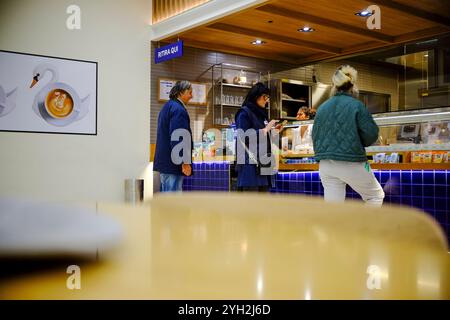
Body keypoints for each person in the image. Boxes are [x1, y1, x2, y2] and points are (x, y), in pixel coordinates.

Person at [312, 65, 385, 206]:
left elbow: (315, 135)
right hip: (352, 161)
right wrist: (357, 142)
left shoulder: (322, 107)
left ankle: (333, 229)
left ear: (334, 86)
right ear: (353, 86)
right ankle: (365, 229)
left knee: (333, 207)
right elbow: (371, 134)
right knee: (374, 196)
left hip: (326, 164)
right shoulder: (356, 105)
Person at [235, 82, 280, 192]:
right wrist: (265, 130)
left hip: (263, 165)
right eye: (265, 97)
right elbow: (243, 137)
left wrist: (273, 132)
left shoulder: (262, 114)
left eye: (268, 97)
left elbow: (263, 137)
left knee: (264, 207)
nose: (267, 100)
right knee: (250, 206)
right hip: (250, 167)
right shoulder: (244, 113)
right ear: (256, 96)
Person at [154, 80, 193, 192]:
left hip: (166, 161)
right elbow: (179, 136)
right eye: (190, 92)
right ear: (181, 92)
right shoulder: (179, 110)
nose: (192, 96)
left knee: (167, 198)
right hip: (173, 163)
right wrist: (185, 162)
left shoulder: (167, 106)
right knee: (172, 201)